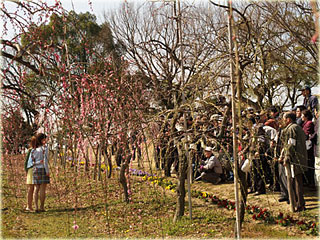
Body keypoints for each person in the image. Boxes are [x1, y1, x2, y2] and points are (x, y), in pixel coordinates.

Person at [280, 112, 308, 212]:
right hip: (299, 159)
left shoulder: (292, 128)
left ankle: (300, 204)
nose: (282, 121)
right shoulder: (297, 127)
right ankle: (298, 203)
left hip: (296, 160)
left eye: (284, 118)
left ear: (288, 119)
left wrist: (286, 157)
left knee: (297, 182)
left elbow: (290, 145)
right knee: (296, 182)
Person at [31, 133, 50, 212]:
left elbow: (32, 162)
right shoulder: (45, 149)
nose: (46, 141)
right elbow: (45, 161)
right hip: (43, 169)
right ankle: (42, 207)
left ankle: (36, 207)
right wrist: (47, 171)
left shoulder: (33, 150)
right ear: (42, 140)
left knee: (36, 188)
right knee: (42, 189)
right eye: (45, 139)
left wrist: (37, 162)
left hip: (35, 169)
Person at [301, 109, 315, 187]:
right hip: (306, 145)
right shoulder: (305, 124)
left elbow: (306, 134)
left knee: (309, 165)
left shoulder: (309, 123)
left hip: (308, 147)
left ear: (306, 116)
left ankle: (311, 182)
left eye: (303, 115)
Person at [24, 136, 35, 212]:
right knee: (31, 188)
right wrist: (26, 170)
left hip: (32, 169)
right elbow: (26, 161)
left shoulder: (37, 150)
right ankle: (29, 206)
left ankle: (31, 205)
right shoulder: (31, 150)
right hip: (31, 169)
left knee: (33, 188)